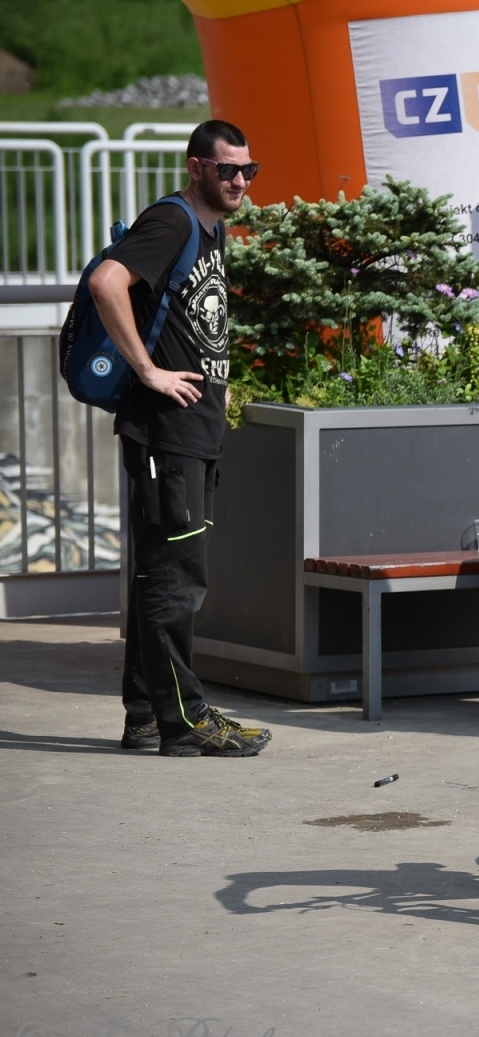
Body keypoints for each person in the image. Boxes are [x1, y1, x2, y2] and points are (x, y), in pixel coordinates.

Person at [93, 120, 272, 757]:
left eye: (248, 170)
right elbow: (107, 282)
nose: (240, 181)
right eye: (228, 169)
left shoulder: (211, 229)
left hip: (190, 433)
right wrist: (149, 371)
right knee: (176, 577)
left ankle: (146, 715)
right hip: (165, 435)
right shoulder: (172, 221)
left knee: (160, 573)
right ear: (196, 167)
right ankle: (186, 721)